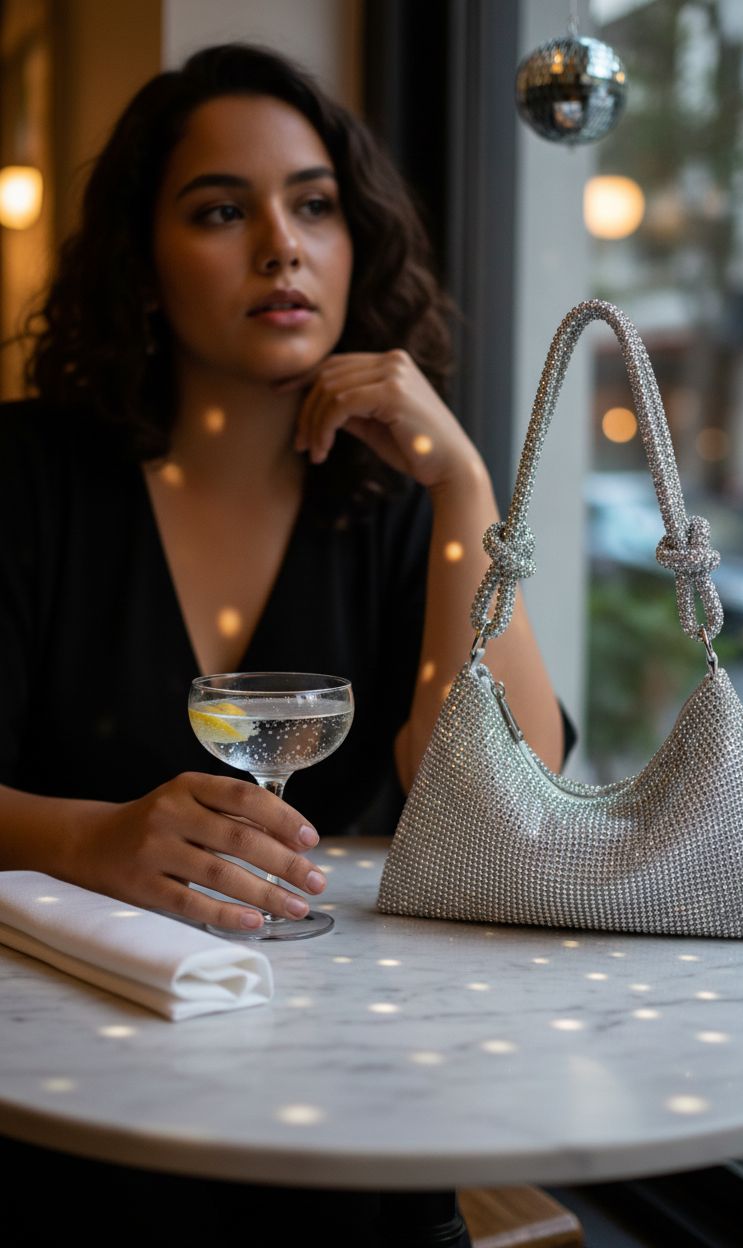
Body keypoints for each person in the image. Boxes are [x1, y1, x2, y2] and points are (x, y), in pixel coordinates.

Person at [0, 43, 575, 936]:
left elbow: (513, 820)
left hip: (349, 1015)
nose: (283, 247)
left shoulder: (398, 503)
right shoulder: (27, 477)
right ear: (143, 266)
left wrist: (463, 485)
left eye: (314, 206)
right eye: (223, 211)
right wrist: (87, 841)